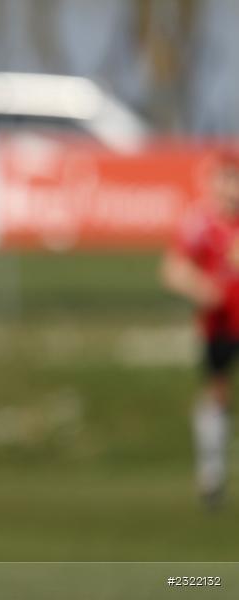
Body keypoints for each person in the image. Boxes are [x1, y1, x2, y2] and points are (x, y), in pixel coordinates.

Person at [162, 153, 239, 509]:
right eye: (225, 179)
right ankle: (211, 474)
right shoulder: (201, 223)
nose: (231, 188)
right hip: (220, 323)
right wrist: (202, 289)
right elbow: (173, 270)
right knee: (216, 391)